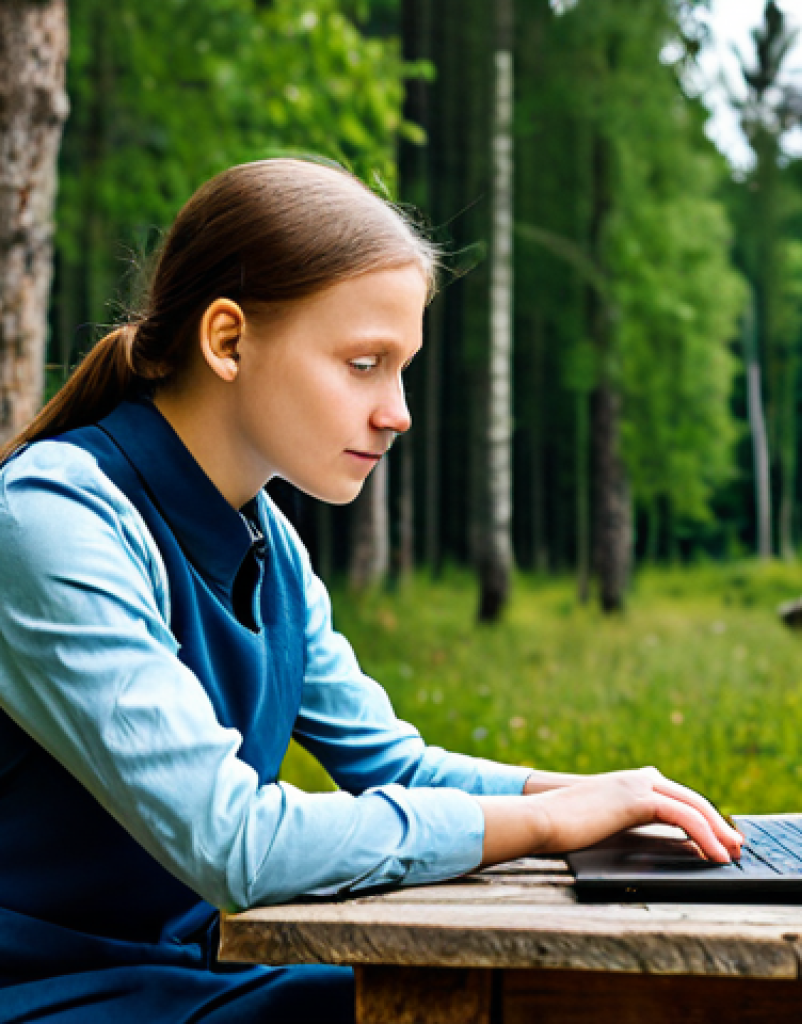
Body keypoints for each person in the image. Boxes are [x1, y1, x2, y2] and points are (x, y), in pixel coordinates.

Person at [0, 158, 742, 1022]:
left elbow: (394, 766)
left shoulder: (267, 540)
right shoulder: (53, 520)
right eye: (364, 364)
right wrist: (545, 827)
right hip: (43, 993)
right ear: (228, 340)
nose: (399, 412)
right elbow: (235, 841)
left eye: (402, 369)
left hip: (189, 978)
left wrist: (583, 798)